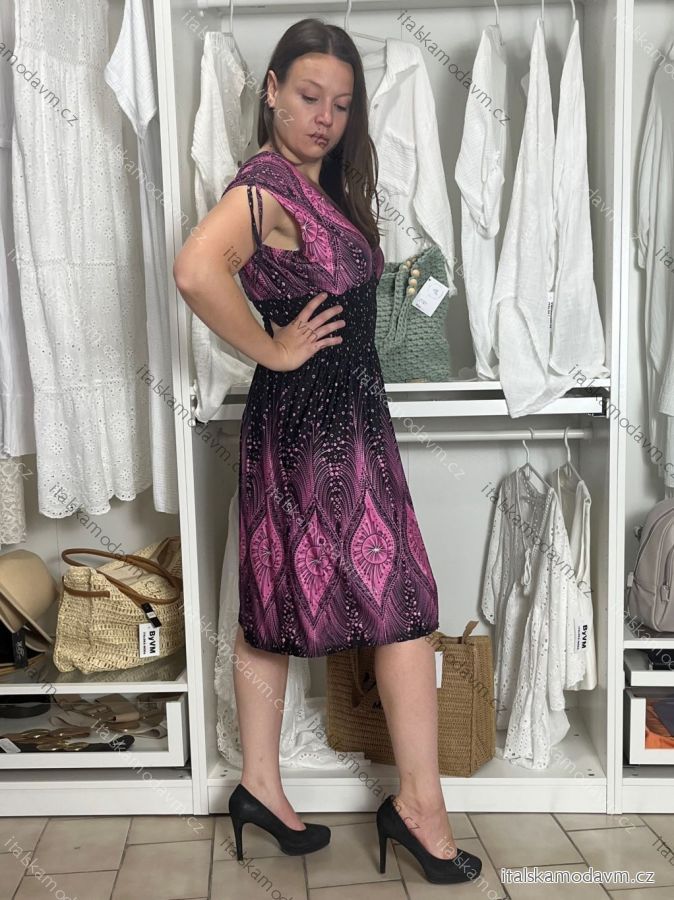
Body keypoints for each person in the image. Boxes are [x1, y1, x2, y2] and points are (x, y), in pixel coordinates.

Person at [174, 17, 482, 886]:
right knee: (401, 602)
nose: (325, 117)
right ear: (271, 90)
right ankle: (419, 808)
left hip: (339, 421)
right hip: (313, 428)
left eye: (342, 104)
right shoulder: (265, 185)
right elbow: (195, 269)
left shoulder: (321, 185)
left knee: (283, 601)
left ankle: (261, 787)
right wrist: (271, 350)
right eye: (310, 97)